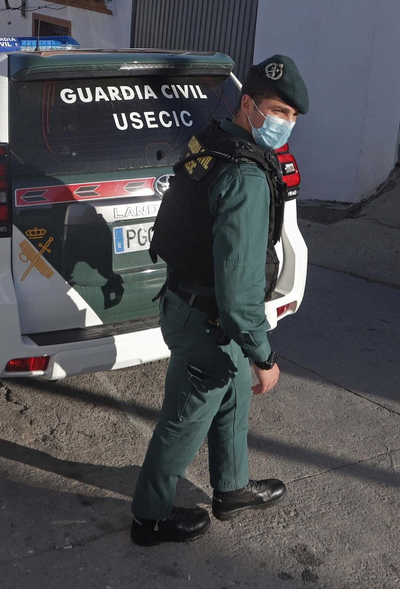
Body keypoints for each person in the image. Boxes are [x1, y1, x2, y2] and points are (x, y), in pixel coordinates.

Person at [131, 54, 309, 547]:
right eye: (277, 111)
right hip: (208, 318)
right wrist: (265, 356)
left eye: (292, 117)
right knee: (184, 420)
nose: (284, 124)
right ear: (248, 105)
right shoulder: (246, 177)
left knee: (230, 401)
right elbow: (239, 288)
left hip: (192, 305)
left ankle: (231, 489)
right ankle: (149, 517)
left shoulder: (212, 140)